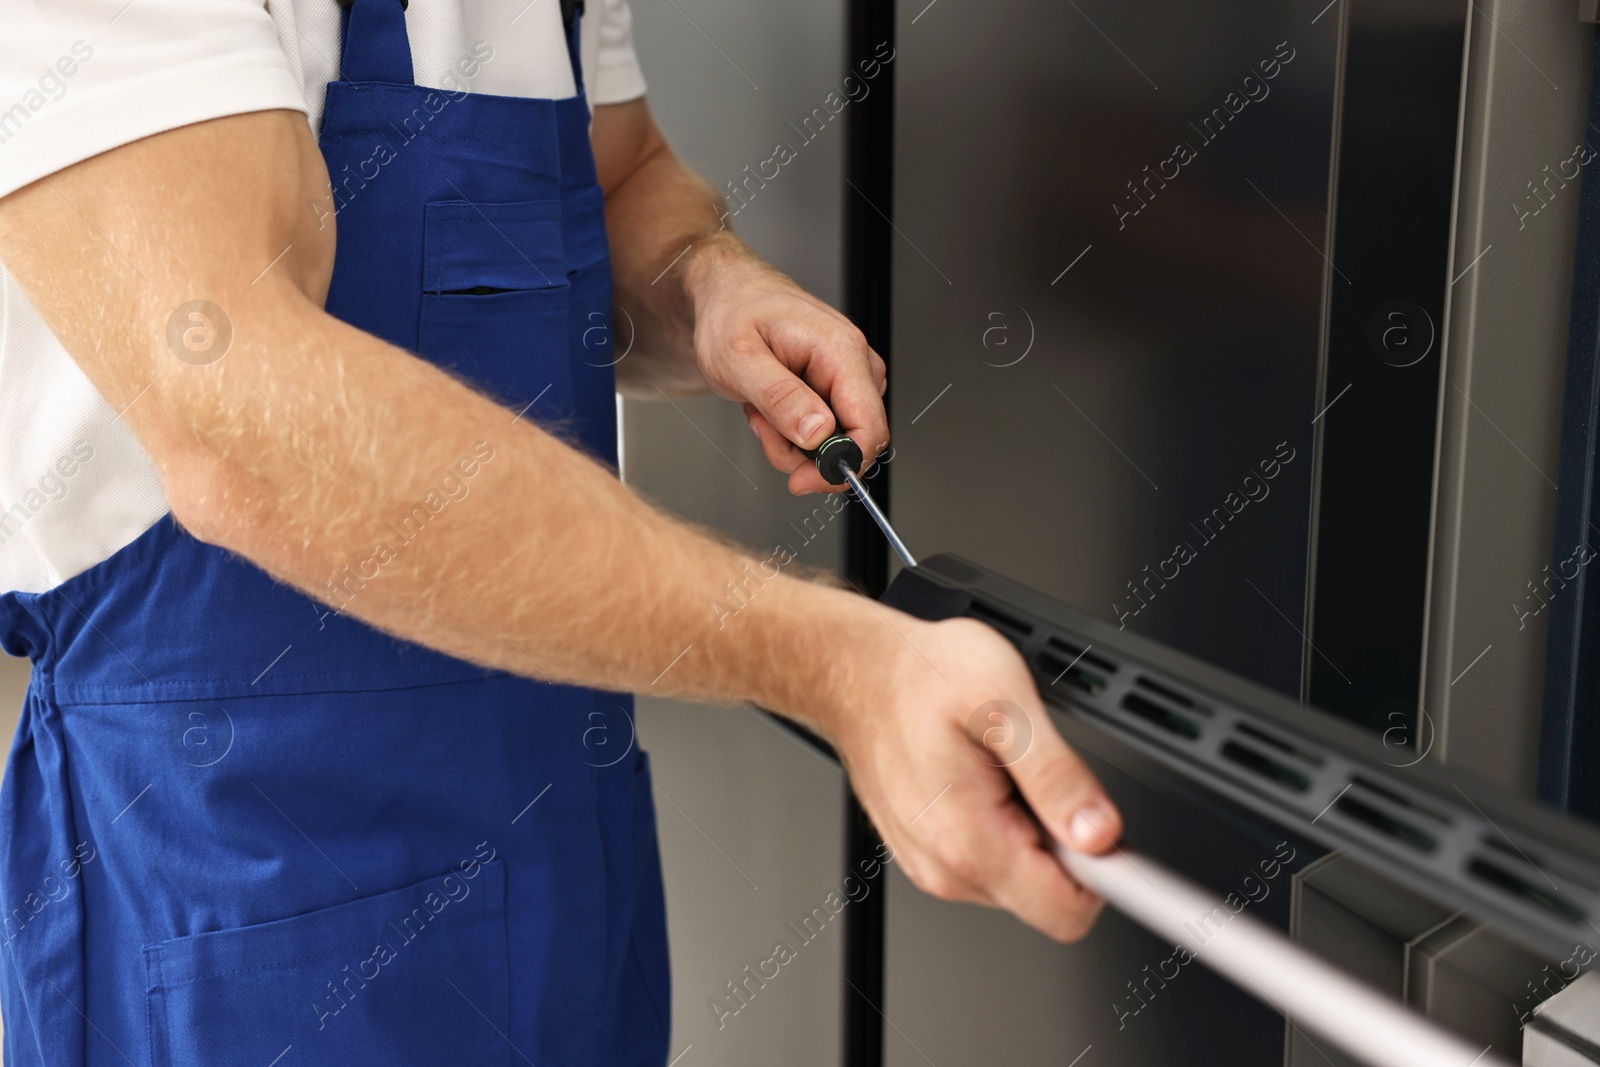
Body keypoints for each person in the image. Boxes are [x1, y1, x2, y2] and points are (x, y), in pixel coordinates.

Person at [0, 0, 1123, 1062]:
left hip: (561, 853)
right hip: (247, 894)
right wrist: (825, 659)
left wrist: (706, 286)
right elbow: (243, 418)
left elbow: (621, 172)